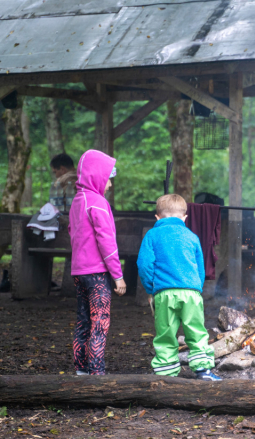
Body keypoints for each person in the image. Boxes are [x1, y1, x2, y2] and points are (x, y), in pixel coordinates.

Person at [137, 194, 221, 381]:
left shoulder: (152, 235)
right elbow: (200, 266)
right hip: (191, 293)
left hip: (164, 293)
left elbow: (144, 264)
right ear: (184, 218)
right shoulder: (192, 236)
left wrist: (151, 288)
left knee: (165, 333)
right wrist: (196, 287)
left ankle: (166, 374)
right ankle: (203, 371)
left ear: (157, 217)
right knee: (197, 331)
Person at [68, 150, 127, 375]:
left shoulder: (77, 201)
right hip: (97, 275)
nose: (110, 184)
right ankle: (96, 371)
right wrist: (118, 276)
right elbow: (107, 242)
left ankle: (81, 369)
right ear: (96, 176)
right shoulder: (98, 202)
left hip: (78, 272)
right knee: (100, 321)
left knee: (83, 320)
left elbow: (72, 232)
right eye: (108, 178)